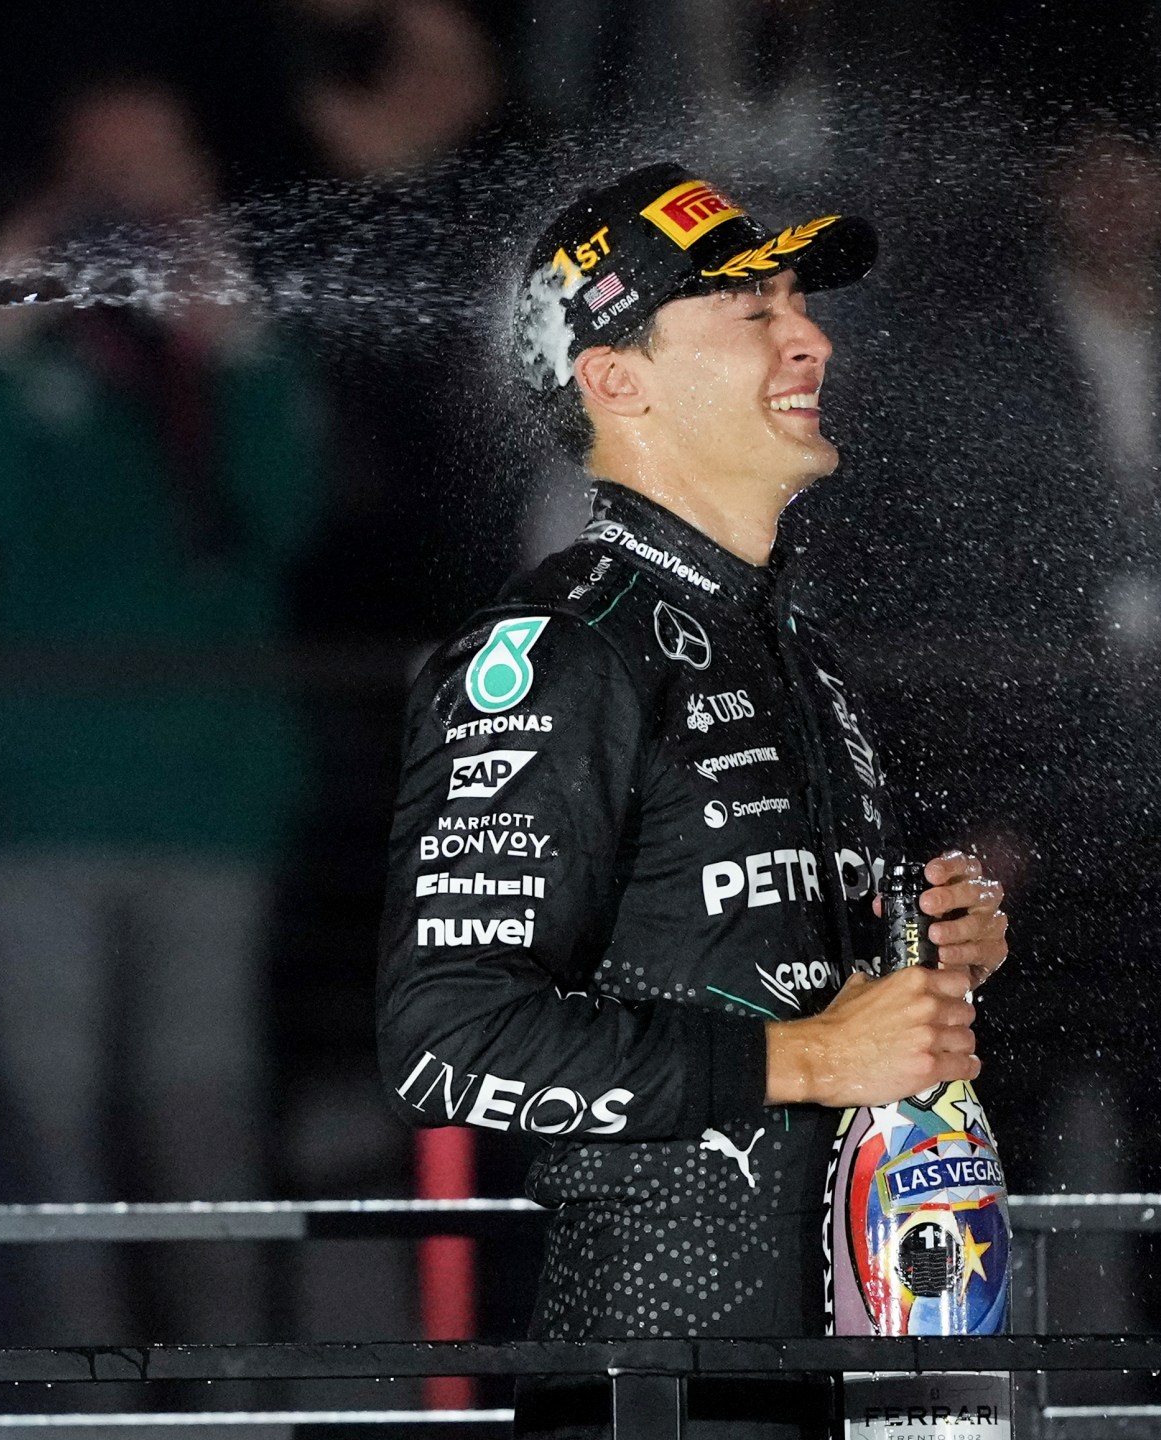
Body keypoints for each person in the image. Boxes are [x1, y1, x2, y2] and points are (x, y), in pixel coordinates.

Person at [373, 163, 1010, 1437]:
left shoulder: (800, 656)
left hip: (857, 1363)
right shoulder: (560, 648)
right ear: (617, 379)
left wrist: (922, 951)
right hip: (660, 1386)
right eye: (751, 310)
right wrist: (814, 1054)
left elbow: (729, 954)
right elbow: (443, 1035)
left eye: (798, 304)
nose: (809, 337)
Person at [0, 78, 328, 1345]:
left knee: (203, 1124)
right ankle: (78, 1415)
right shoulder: (26, 350)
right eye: (108, 174)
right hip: (34, 805)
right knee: (52, 1141)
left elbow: (290, 515)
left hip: (207, 800)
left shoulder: (238, 351)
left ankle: (238, 1412)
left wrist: (233, 323)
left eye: (162, 169)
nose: (139, 201)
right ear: (58, 190)